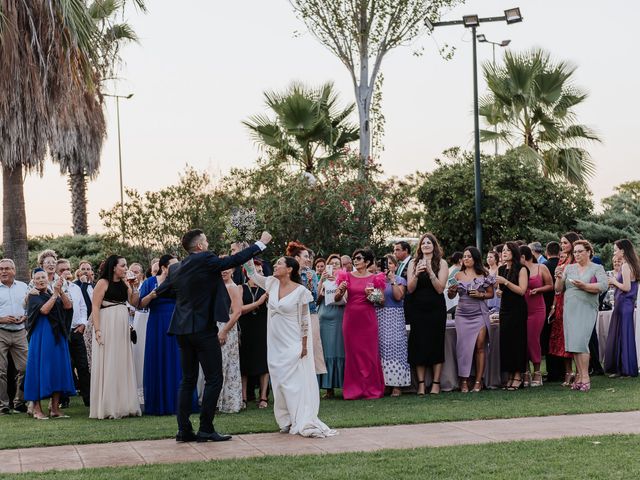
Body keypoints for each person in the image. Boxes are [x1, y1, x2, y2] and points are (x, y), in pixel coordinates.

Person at [155, 229, 271, 443]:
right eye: (206, 241)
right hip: (202, 329)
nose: (208, 244)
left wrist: (188, 297)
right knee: (214, 378)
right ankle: (206, 428)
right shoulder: (205, 259)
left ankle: (183, 430)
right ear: (199, 247)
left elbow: (164, 291)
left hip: (181, 329)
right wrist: (260, 243)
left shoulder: (177, 268)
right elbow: (236, 259)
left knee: (188, 380)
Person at [244, 257, 335, 437]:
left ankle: (301, 419)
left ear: (290, 270)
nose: (275, 266)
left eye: (279, 264)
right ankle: (286, 420)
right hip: (275, 343)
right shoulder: (271, 283)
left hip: (293, 341)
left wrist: (304, 345)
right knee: (278, 383)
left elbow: (304, 321)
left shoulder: (301, 291)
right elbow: (252, 273)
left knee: (294, 383)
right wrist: (247, 251)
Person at [89, 255, 141, 419]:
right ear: (114, 267)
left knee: (122, 361)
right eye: (123, 266)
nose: (126, 269)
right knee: (109, 361)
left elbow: (133, 302)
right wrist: (97, 330)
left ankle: (124, 405)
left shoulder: (126, 283)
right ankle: (108, 406)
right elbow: (95, 307)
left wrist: (135, 287)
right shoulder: (102, 283)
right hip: (107, 324)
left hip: (122, 324)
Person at [555, 240, 608, 392]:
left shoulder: (597, 268)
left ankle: (585, 378)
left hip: (587, 307)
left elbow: (603, 285)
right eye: (575, 252)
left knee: (582, 341)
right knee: (573, 344)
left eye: (580, 251)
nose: (577, 254)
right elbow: (558, 289)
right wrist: (558, 277)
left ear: (589, 252)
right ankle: (579, 377)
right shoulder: (569, 268)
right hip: (570, 308)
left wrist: (584, 286)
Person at [335, 248, 386, 400]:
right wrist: (340, 290)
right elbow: (337, 299)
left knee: (369, 354)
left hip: (368, 319)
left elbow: (382, 301)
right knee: (352, 354)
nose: (355, 261)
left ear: (367, 261)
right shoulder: (347, 276)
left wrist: (373, 295)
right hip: (350, 319)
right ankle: (353, 390)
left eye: (358, 258)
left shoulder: (376, 278)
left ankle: (372, 389)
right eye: (354, 258)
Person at [24, 270, 75, 420]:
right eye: (37, 278)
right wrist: (54, 295)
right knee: (39, 369)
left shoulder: (53, 292)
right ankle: (37, 409)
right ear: (33, 281)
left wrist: (60, 292)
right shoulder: (33, 296)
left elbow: (68, 307)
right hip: (41, 336)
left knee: (57, 369)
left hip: (57, 336)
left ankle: (54, 408)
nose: (41, 280)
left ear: (48, 279)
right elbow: (44, 310)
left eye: (43, 277)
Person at [138, 254, 183, 415]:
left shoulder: (179, 281)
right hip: (156, 324)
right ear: (164, 267)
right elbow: (140, 304)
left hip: (176, 322)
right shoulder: (149, 282)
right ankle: (158, 402)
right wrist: (152, 295)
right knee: (157, 359)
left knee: (176, 360)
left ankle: (178, 403)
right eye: (173, 265)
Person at [447, 247, 495, 393]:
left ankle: (478, 381)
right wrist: (452, 291)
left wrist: (480, 295)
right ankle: (464, 381)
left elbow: (490, 294)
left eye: (469, 256)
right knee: (463, 348)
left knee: (480, 346)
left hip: (479, 312)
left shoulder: (484, 274)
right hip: (462, 314)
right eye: (464, 256)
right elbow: (450, 297)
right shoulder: (458, 275)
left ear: (475, 258)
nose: (466, 259)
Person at [405, 233, 448, 395]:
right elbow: (410, 288)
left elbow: (440, 289)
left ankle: (436, 383)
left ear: (434, 246)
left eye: (429, 243)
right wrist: (416, 273)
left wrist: (430, 271)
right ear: (420, 247)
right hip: (417, 309)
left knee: (436, 344)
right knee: (418, 344)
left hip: (436, 309)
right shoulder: (413, 263)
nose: (426, 245)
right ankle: (421, 384)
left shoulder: (441, 263)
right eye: (423, 243)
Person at [286, 241, 327, 376]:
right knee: (295, 347)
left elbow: (314, 297)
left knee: (311, 346)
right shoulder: (288, 275)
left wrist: (310, 282)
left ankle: (310, 377)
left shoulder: (311, 274)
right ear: (297, 258)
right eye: (305, 256)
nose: (308, 259)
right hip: (293, 316)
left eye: (309, 257)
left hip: (310, 313)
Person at [56, 259, 91, 407]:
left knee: (83, 365)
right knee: (65, 365)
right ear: (58, 272)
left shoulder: (76, 288)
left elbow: (83, 307)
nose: (66, 271)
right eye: (62, 269)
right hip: (61, 332)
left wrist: (83, 324)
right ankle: (64, 399)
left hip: (77, 331)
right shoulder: (53, 288)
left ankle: (88, 398)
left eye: (68, 269)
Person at [496, 242, 529, 390]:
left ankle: (518, 375)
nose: (504, 253)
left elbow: (522, 290)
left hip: (517, 309)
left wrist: (506, 283)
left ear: (514, 252)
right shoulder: (501, 268)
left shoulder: (522, 269)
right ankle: (509, 375)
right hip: (504, 308)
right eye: (503, 250)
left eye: (508, 250)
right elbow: (500, 288)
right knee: (506, 342)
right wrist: (499, 291)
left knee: (517, 342)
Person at [376, 254, 410, 397]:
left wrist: (392, 280)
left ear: (395, 266)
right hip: (380, 315)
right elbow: (379, 300)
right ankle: (385, 384)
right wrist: (381, 283)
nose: (388, 266)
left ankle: (397, 384)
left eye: (391, 263)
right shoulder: (376, 280)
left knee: (396, 348)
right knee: (382, 349)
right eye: (385, 263)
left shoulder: (400, 280)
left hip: (395, 316)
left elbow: (398, 297)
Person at [604, 239, 640, 377]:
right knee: (622, 334)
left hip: (624, 303)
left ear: (622, 251)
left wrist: (613, 281)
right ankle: (623, 367)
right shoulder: (631, 265)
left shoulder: (625, 266)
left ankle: (624, 368)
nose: (614, 252)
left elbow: (627, 287)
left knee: (623, 335)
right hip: (624, 304)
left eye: (615, 250)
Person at [549, 232, 580, 386]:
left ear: (573, 243)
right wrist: (553, 305)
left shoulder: (578, 259)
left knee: (575, 336)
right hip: (561, 301)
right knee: (562, 337)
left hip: (574, 299)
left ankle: (580, 371)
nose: (562, 246)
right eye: (561, 243)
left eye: (565, 243)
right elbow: (557, 288)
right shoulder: (561, 259)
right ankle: (568, 372)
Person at [520, 246, 553, 387]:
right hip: (521, 309)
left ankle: (537, 372)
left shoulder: (541, 268)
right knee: (523, 340)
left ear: (523, 256)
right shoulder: (518, 270)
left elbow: (550, 285)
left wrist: (538, 289)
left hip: (537, 309)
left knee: (533, 339)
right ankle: (526, 371)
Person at [238, 260, 269, 409]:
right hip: (246, 328)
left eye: (261, 271)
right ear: (248, 273)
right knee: (244, 363)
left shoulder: (267, 289)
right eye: (257, 271)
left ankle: (263, 397)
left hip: (263, 328)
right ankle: (243, 398)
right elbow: (239, 310)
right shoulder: (241, 288)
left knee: (264, 363)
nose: (260, 274)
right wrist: (258, 303)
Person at [0, 258, 29, 414]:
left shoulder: (23, 286)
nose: (4, 271)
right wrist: (2, 319)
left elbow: (29, 306)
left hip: (19, 332)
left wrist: (25, 316)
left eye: (7, 268)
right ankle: (3, 405)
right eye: (1, 269)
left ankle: (19, 402)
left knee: (25, 368)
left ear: (14, 270)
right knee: (0, 371)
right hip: (1, 332)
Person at [317, 254, 345, 398]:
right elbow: (316, 299)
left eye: (337, 263)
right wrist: (322, 281)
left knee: (339, 350)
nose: (334, 266)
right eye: (332, 263)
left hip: (340, 317)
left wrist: (337, 283)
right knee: (326, 351)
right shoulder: (322, 279)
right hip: (324, 317)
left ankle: (343, 384)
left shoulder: (344, 279)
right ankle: (328, 389)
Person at [216, 266, 244, 413]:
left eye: (227, 268)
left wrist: (224, 331)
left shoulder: (232, 287)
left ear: (232, 270)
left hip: (227, 327)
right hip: (216, 325)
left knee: (226, 364)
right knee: (218, 364)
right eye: (221, 268)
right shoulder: (217, 286)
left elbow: (237, 311)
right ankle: (217, 401)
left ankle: (227, 402)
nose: (224, 271)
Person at [541, 242, 563, 382]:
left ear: (546, 252)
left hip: (546, 306)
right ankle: (562, 370)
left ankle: (552, 371)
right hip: (561, 305)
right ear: (559, 251)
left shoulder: (544, 267)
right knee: (560, 338)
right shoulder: (563, 266)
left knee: (549, 338)